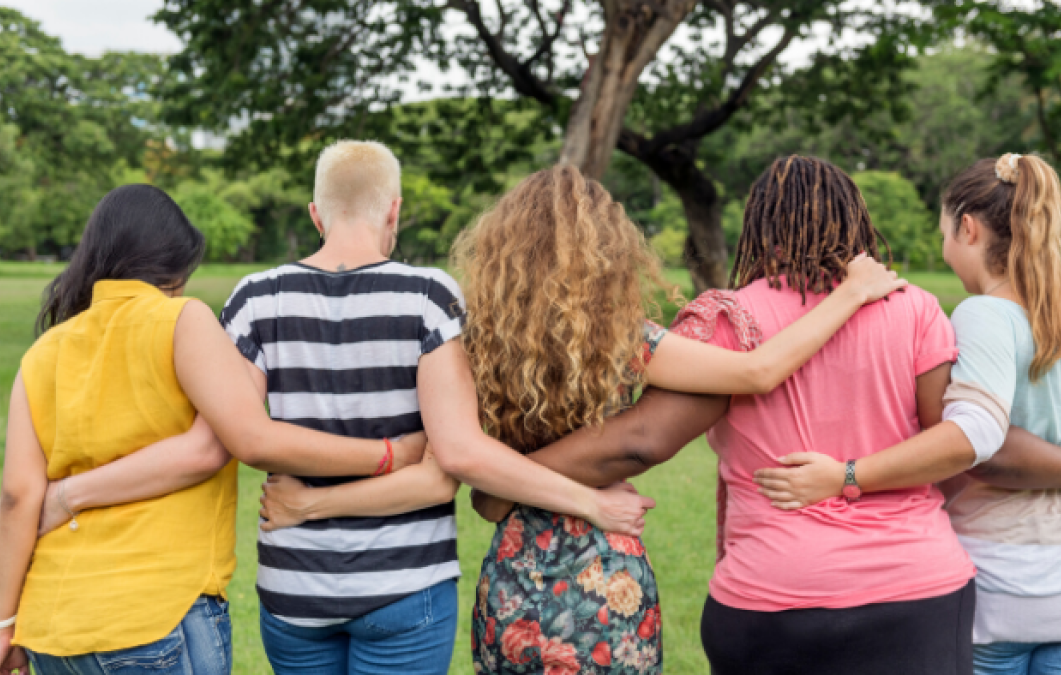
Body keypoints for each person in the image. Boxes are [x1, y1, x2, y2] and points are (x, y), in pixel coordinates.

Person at [471, 155, 1061, 675]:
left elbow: (640, 442)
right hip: (917, 592)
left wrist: (506, 479)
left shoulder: (727, 317)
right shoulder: (917, 308)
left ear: (760, 223)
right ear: (856, 217)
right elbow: (948, 447)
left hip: (773, 594)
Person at [259, 164, 905, 674]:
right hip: (607, 580)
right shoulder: (624, 340)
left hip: (512, 583)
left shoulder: (472, 342)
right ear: (606, 251)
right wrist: (849, 292)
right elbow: (757, 371)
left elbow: (459, 471)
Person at [215, 143, 657, 675]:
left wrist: (308, 504)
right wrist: (591, 502)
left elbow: (248, 435)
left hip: (294, 584)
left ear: (316, 214)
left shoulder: (253, 300)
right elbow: (451, 463)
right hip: (405, 586)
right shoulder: (427, 297)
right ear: (394, 210)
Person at [0, 184, 436, 675]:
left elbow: (15, 499)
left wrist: (4, 626)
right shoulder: (182, 320)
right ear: (172, 267)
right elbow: (247, 440)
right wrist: (390, 454)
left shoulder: (42, 354)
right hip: (156, 615)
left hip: (53, 628)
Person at [762, 153, 1061, 675]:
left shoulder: (982, 315)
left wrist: (846, 476)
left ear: (968, 230)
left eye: (945, 233)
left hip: (1005, 595)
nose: (945, 250)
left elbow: (973, 443)